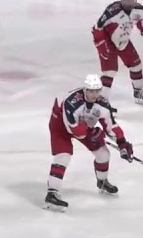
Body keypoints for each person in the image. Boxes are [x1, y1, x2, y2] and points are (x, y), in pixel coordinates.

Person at [44, 74, 134, 211]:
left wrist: (122, 143)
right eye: (91, 91)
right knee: (63, 156)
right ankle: (52, 193)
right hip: (60, 124)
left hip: (82, 125)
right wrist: (91, 134)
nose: (95, 94)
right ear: (85, 90)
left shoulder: (102, 103)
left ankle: (102, 181)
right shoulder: (72, 103)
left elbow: (111, 125)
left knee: (103, 153)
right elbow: (73, 129)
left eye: (97, 91)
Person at [92, 0, 143, 106]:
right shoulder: (112, 11)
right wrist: (101, 46)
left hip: (123, 40)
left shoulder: (140, 11)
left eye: (131, 0)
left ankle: (138, 93)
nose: (128, 3)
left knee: (136, 65)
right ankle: (101, 101)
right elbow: (97, 28)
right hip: (108, 42)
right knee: (110, 71)